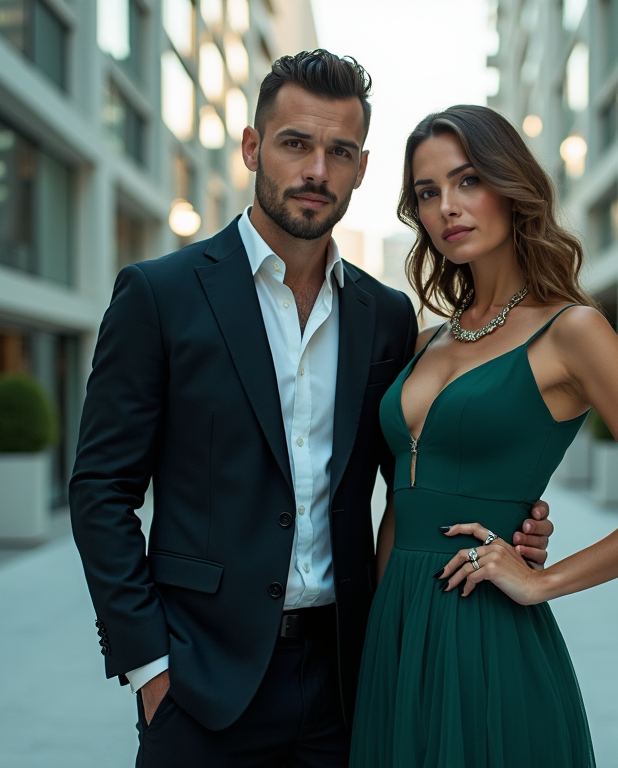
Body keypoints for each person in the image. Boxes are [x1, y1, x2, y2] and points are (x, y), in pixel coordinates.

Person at [69, 52, 555, 768]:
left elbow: (418, 476)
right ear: (252, 147)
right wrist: (150, 668)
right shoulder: (160, 295)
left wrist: (512, 521)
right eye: (296, 143)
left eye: (340, 152)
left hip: (346, 681)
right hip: (199, 684)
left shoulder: (386, 318)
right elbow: (101, 489)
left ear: (362, 168)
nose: (316, 171)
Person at [349, 105, 618, 767]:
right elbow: (401, 508)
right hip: (394, 633)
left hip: (485, 633)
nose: (447, 208)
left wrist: (544, 581)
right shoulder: (424, 340)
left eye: (467, 182)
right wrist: (377, 638)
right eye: (428, 193)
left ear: (510, 186)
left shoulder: (573, 332)